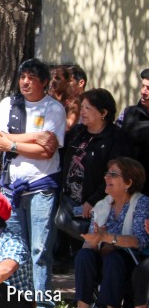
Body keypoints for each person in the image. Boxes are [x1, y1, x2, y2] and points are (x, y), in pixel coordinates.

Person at [0, 58, 65, 308]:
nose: (25, 81)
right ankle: (17, 303)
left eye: (31, 77)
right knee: (15, 247)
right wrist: (34, 137)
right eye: (22, 76)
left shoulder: (54, 108)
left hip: (41, 186)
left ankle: (43, 305)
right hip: (12, 187)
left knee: (40, 248)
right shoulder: (8, 104)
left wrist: (13, 143)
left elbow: (47, 151)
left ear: (44, 82)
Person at [73, 157, 149, 308]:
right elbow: (95, 239)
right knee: (84, 255)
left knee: (114, 259)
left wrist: (109, 239)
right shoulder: (102, 205)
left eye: (113, 174)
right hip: (102, 256)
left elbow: (140, 241)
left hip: (131, 261)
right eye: (107, 173)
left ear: (128, 182)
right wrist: (94, 241)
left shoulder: (142, 203)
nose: (107, 177)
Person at [62, 89, 133, 220]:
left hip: (97, 207)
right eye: (82, 107)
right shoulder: (77, 132)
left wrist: (92, 201)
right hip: (67, 202)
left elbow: (115, 175)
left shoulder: (116, 139)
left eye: (87, 108)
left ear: (104, 113)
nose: (82, 112)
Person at [117, 68, 149, 177]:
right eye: (143, 86)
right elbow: (115, 143)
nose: (143, 92)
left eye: (148, 88)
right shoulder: (127, 113)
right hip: (131, 182)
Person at [64, 65, 87, 131]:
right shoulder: (63, 102)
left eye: (69, 81)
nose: (65, 84)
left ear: (81, 83)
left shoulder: (90, 104)